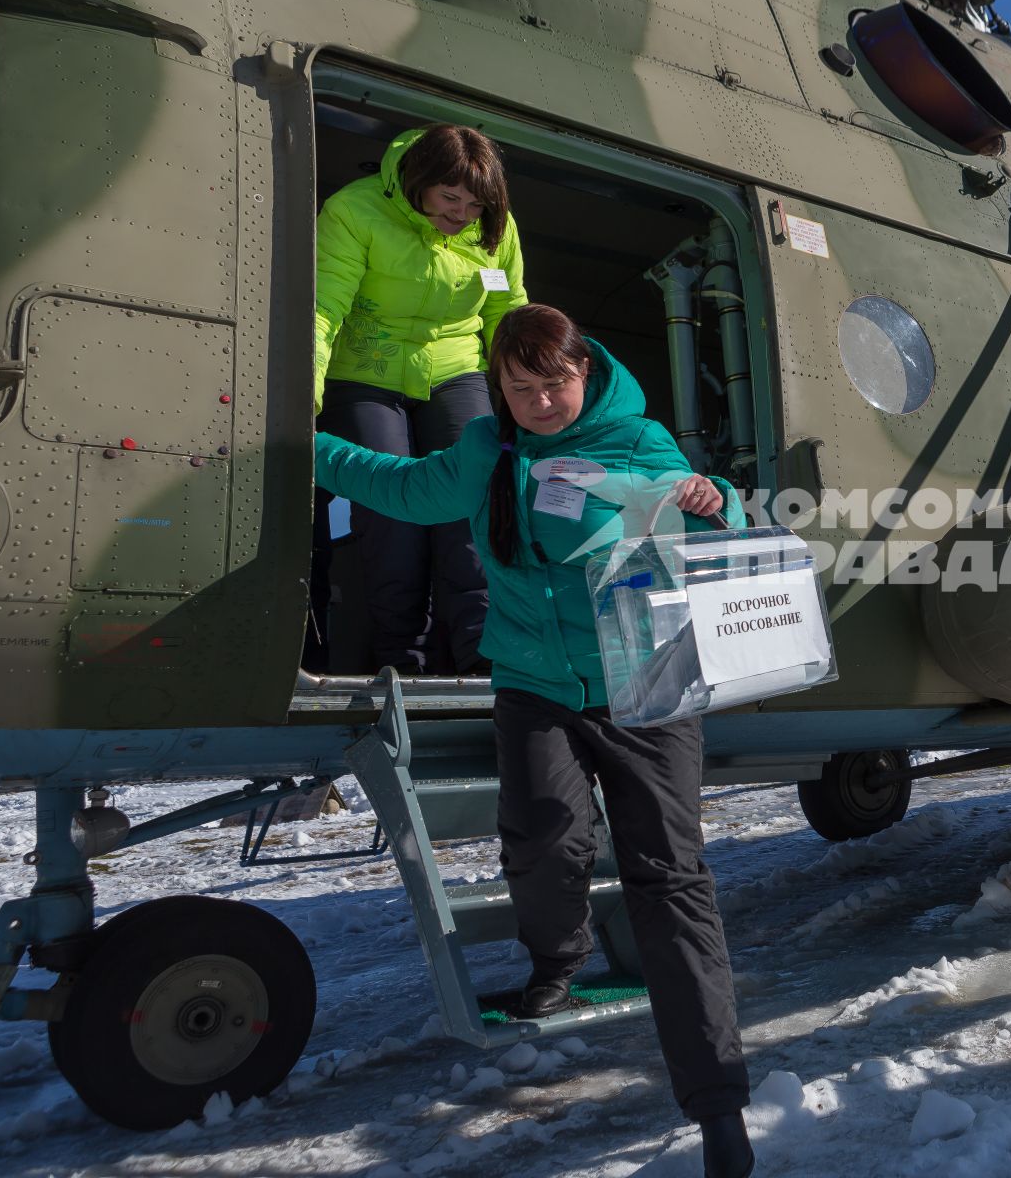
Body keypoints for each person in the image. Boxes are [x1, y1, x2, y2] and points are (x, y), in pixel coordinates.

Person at [315, 305, 754, 1178]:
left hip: (646, 688)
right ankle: (559, 956)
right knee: (545, 834)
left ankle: (718, 1107)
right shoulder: (485, 451)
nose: (542, 402)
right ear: (499, 388)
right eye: (520, 388)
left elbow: (718, 532)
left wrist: (716, 503)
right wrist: (304, 443)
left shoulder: (639, 440)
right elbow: (404, 488)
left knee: (670, 881)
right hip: (533, 685)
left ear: (583, 370)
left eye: (555, 383)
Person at [313, 123, 528, 674]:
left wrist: (524, 397)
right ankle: (401, 663)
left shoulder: (495, 233)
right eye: (449, 198)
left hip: (456, 370)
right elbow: (323, 309)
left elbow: (508, 314)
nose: (460, 215)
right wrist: (306, 394)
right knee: (392, 517)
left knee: (474, 506)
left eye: (475, 205)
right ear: (418, 180)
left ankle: (484, 661)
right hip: (367, 371)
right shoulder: (353, 212)